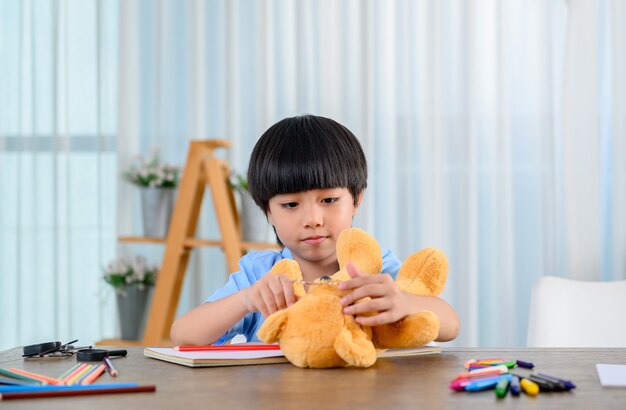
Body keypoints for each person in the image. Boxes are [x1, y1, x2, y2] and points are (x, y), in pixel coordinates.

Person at [170, 114, 460, 346]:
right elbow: (182, 335)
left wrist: (403, 302)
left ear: (356, 200)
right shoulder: (261, 273)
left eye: (329, 200)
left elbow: (450, 325)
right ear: (268, 211)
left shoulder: (374, 269)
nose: (313, 219)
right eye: (291, 204)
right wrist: (246, 300)